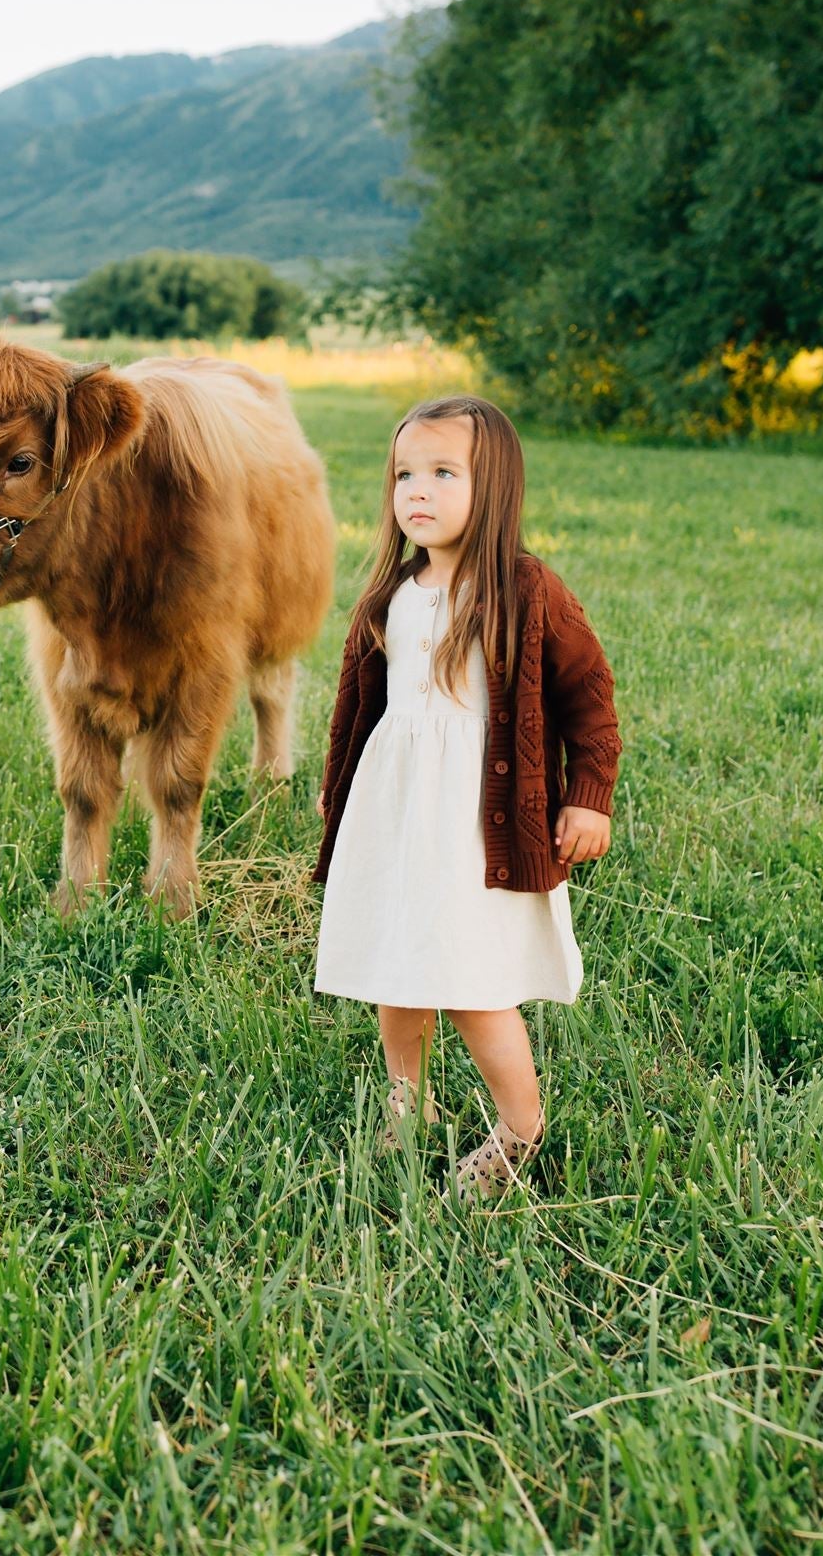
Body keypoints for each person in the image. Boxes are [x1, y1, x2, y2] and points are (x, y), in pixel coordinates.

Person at [312, 395, 621, 1201]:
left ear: (494, 487)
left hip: (473, 823)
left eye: (443, 473)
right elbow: (357, 713)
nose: (417, 490)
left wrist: (587, 796)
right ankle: (405, 1101)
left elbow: (587, 693)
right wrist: (335, 796)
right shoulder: (391, 593)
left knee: (468, 983)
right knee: (395, 966)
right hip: (395, 811)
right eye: (404, 474)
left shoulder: (525, 589)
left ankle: (520, 1128)